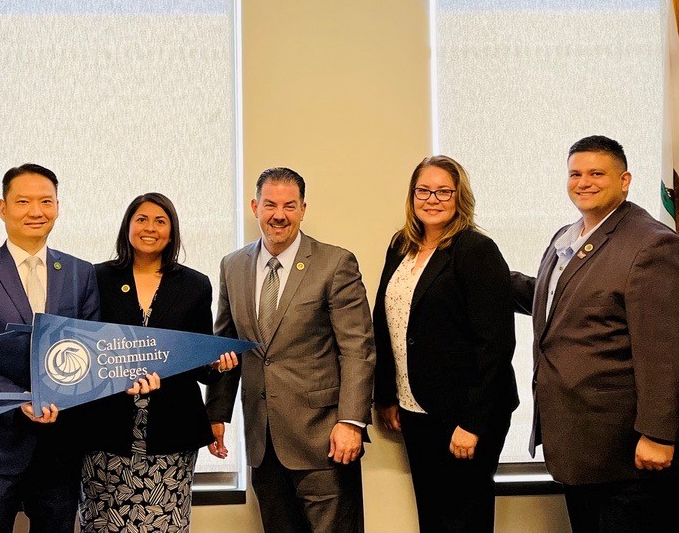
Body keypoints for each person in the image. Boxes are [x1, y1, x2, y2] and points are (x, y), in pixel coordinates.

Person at [511, 136, 679, 532]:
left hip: (640, 458)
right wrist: (485, 275)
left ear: (625, 179)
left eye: (597, 173)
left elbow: (674, 352)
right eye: (575, 174)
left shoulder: (654, 247)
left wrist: (658, 434)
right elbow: (561, 302)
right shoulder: (568, 237)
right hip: (590, 452)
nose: (584, 182)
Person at [0, 163, 110, 532]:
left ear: (58, 207)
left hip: (59, 448)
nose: (36, 211)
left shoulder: (81, 274)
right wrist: (20, 399)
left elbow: (89, 353)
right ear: (3, 208)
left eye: (46, 201)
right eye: (23, 202)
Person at [205, 167, 376, 533]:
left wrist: (351, 422)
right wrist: (216, 414)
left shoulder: (335, 263)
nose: (278, 214)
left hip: (324, 441)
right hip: (263, 441)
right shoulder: (232, 266)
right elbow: (227, 345)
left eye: (289, 205)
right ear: (255, 206)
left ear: (303, 209)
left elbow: (357, 349)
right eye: (270, 204)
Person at [372, 155, 518, 532]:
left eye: (443, 191)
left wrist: (473, 423)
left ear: (459, 197)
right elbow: (387, 323)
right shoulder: (401, 245)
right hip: (415, 409)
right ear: (412, 195)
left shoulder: (476, 251)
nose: (432, 199)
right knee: (433, 517)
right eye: (423, 190)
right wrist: (387, 395)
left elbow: (496, 344)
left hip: (465, 413)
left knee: (464, 518)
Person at [80, 193, 238, 532]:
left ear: (172, 232)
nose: (149, 228)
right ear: (128, 226)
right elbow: (85, 354)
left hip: (172, 432)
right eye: (142, 219)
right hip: (106, 433)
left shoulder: (195, 285)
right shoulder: (95, 278)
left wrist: (217, 366)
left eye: (160, 221)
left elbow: (197, 362)